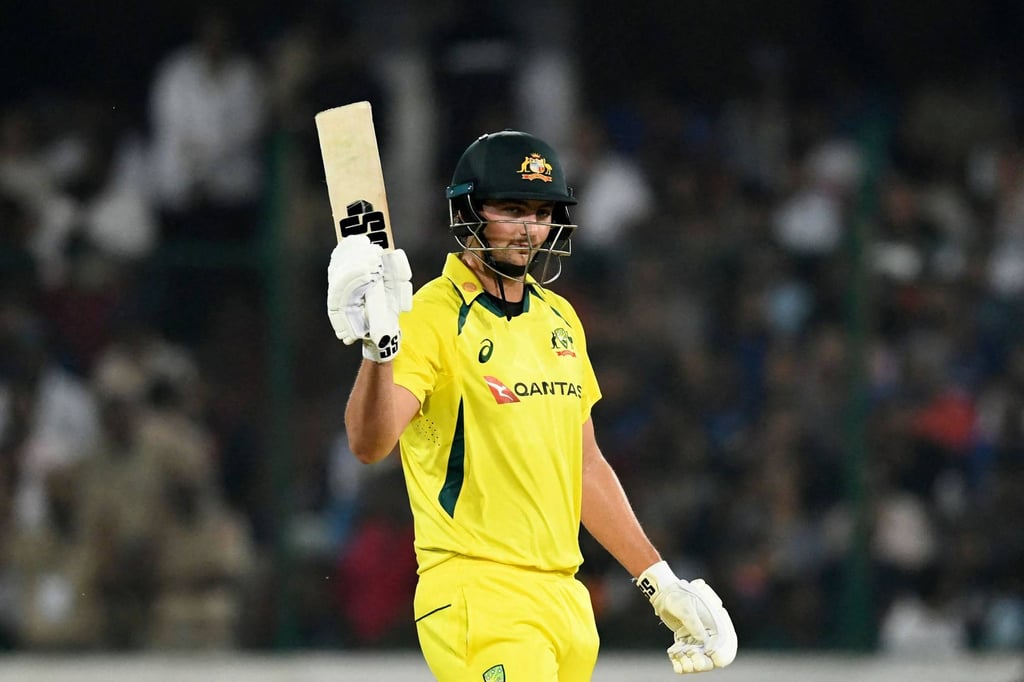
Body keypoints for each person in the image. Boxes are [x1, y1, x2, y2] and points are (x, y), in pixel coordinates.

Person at [326, 129, 737, 679]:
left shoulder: (560, 319)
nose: (529, 229)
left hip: (566, 600)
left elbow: (585, 465)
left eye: (542, 212)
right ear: (470, 211)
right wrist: (380, 350)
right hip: (478, 591)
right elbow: (370, 443)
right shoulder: (429, 316)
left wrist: (661, 581)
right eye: (512, 209)